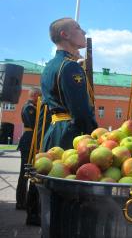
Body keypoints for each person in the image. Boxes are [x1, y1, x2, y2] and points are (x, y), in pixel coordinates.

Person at [41, 17, 97, 151]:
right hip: (70, 136)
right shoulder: (70, 66)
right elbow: (80, 111)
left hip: (54, 132)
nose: (83, 32)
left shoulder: (50, 65)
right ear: (64, 34)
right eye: (78, 28)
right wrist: (95, 134)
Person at [16, 88, 41, 210]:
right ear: (35, 95)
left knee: (29, 172)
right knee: (25, 173)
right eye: (40, 96)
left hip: (31, 140)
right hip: (28, 141)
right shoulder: (29, 107)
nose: (40, 99)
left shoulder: (32, 106)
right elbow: (34, 124)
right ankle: (20, 202)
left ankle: (24, 200)